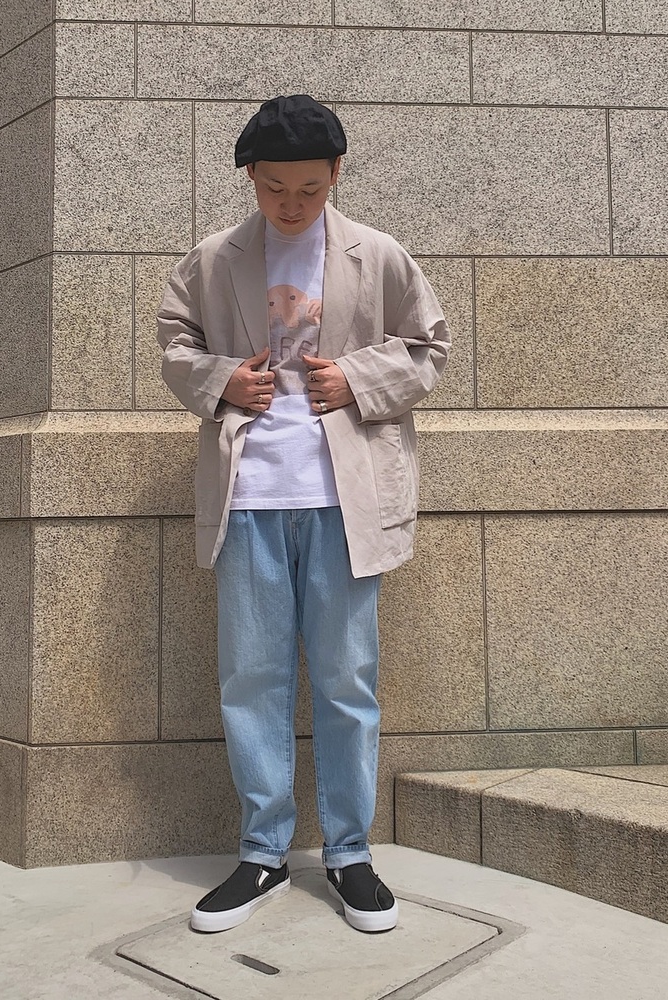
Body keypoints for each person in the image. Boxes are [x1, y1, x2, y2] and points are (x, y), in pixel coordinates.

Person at [157, 95, 450, 935]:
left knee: (346, 680)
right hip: (248, 493)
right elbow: (175, 340)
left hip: (343, 500)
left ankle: (350, 854)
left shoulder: (377, 254)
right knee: (251, 679)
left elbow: (429, 345)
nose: (291, 204)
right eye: (274, 187)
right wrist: (224, 382)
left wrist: (355, 378)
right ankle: (262, 854)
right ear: (251, 176)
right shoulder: (214, 258)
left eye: (310, 189)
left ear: (336, 175)